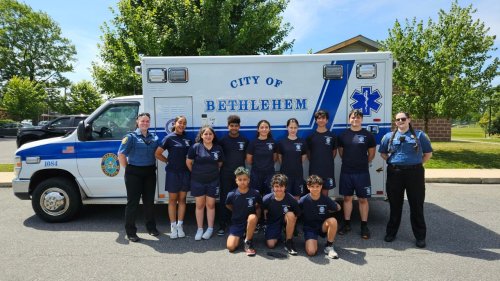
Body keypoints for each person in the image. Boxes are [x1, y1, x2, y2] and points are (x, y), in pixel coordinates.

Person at [379, 111, 433, 248]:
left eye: (403, 119)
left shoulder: (420, 136)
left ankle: (420, 237)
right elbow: (383, 153)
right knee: (395, 205)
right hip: (395, 173)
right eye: (398, 119)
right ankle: (391, 233)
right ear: (395, 122)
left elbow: (428, 154)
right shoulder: (388, 136)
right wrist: (395, 162)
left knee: (416, 206)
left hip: (414, 174)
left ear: (409, 119)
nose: (400, 121)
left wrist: (415, 163)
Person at [117, 112, 161, 242]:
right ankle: (131, 232)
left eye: (147, 121)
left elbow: (157, 152)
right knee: (133, 203)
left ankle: (151, 228)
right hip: (133, 173)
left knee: (149, 202)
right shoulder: (130, 137)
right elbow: (121, 154)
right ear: (137, 122)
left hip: (149, 173)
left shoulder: (154, 137)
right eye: (142, 121)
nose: (145, 123)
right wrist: (128, 168)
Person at [337, 109, 376, 239]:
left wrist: (362, 163)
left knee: (363, 199)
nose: (355, 119)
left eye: (358, 118)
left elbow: (371, 154)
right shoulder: (343, 135)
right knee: (347, 198)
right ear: (349, 119)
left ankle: (364, 226)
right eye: (353, 117)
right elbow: (341, 152)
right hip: (347, 171)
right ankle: (346, 223)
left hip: (362, 172)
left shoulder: (368, 135)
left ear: (362, 120)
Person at [155, 116, 191, 239]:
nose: (182, 125)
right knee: (172, 200)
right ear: (175, 124)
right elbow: (157, 153)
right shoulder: (169, 138)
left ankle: (180, 225)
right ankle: (173, 226)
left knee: (182, 200)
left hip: (185, 173)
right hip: (173, 173)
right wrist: (167, 161)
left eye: (184, 123)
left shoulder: (188, 138)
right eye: (180, 122)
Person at [186, 126, 224, 241]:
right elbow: (188, 162)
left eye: (210, 134)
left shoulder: (218, 148)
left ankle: (210, 229)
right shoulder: (195, 147)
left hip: (213, 181)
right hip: (198, 181)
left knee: (211, 205)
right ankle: (200, 229)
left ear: (213, 136)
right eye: (205, 134)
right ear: (201, 135)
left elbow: (220, 164)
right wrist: (197, 173)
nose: (208, 136)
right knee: (200, 205)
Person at [217, 115, 249, 236]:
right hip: (226, 173)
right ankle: (222, 224)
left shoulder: (244, 140)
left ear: (239, 126)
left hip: (240, 175)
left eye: (236, 125)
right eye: (232, 125)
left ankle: (237, 222)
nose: (234, 128)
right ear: (228, 126)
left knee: (239, 198)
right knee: (225, 198)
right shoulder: (223, 140)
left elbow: (246, 157)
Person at [299, 175, 341, 259]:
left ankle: (329, 247)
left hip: (322, 226)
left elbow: (338, 208)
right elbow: (295, 211)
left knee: (333, 221)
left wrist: (330, 209)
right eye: (312, 186)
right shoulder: (303, 200)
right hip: (310, 227)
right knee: (311, 252)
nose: (315, 189)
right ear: (308, 187)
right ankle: (310, 240)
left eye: (317, 186)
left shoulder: (325, 199)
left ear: (321, 186)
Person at [225, 167, 262, 256]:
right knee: (231, 247)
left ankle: (248, 241)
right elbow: (228, 205)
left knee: (252, 217)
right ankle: (242, 234)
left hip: (250, 221)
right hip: (237, 223)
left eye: (245, 179)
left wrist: (257, 220)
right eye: (240, 179)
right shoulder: (231, 194)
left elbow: (258, 206)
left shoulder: (255, 193)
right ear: (236, 181)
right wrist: (236, 211)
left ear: (248, 180)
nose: (242, 182)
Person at [262, 174, 300, 255]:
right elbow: (263, 210)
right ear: (272, 187)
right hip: (273, 222)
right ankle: (277, 234)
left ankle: (288, 240)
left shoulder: (291, 199)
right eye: (276, 186)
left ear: (285, 187)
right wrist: (265, 222)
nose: (279, 189)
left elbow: (296, 214)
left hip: (285, 220)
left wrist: (291, 225)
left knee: (290, 215)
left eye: (281, 186)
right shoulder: (266, 199)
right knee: (271, 245)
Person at [306, 110, 337, 196]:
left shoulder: (332, 136)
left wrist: (326, 160)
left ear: (327, 120)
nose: (321, 120)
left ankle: (324, 208)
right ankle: (314, 209)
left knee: (325, 192)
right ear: (316, 120)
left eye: (323, 118)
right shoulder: (310, 137)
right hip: (314, 168)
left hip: (328, 168)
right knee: (314, 190)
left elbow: (334, 153)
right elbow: (308, 153)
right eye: (319, 118)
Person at [278, 118, 307, 200]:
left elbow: (303, 158)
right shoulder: (281, 142)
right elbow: (280, 158)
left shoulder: (302, 142)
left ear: (298, 128)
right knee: (285, 196)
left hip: (298, 174)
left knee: (297, 197)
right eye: (291, 127)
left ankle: (295, 213)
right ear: (287, 127)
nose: (293, 130)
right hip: (285, 174)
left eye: (295, 128)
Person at [246, 119, 277, 197]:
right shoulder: (253, 143)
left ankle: (267, 209)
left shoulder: (273, 142)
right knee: (256, 197)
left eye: (266, 127)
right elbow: (249, 160)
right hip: (256, 174)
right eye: (262, 127)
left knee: (269, 196)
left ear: (269, 129)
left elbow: (275, 158)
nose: (264, 129)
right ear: (258, 129)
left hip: (269, 174)